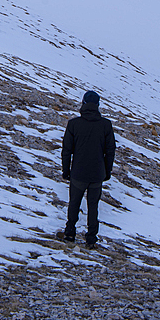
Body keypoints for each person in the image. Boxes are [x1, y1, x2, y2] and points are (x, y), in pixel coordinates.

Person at [60, 90, 116, 248]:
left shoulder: (73, 124)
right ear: (97, 105)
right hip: (97, 174)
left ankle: (69, 233)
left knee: (74, 204)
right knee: (93, 206)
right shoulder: (105, 125)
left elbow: (66, 150)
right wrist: (107, 171)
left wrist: (66, 171)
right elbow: (110, 150)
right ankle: (91, 239)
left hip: (78, 172)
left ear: (83, 103)